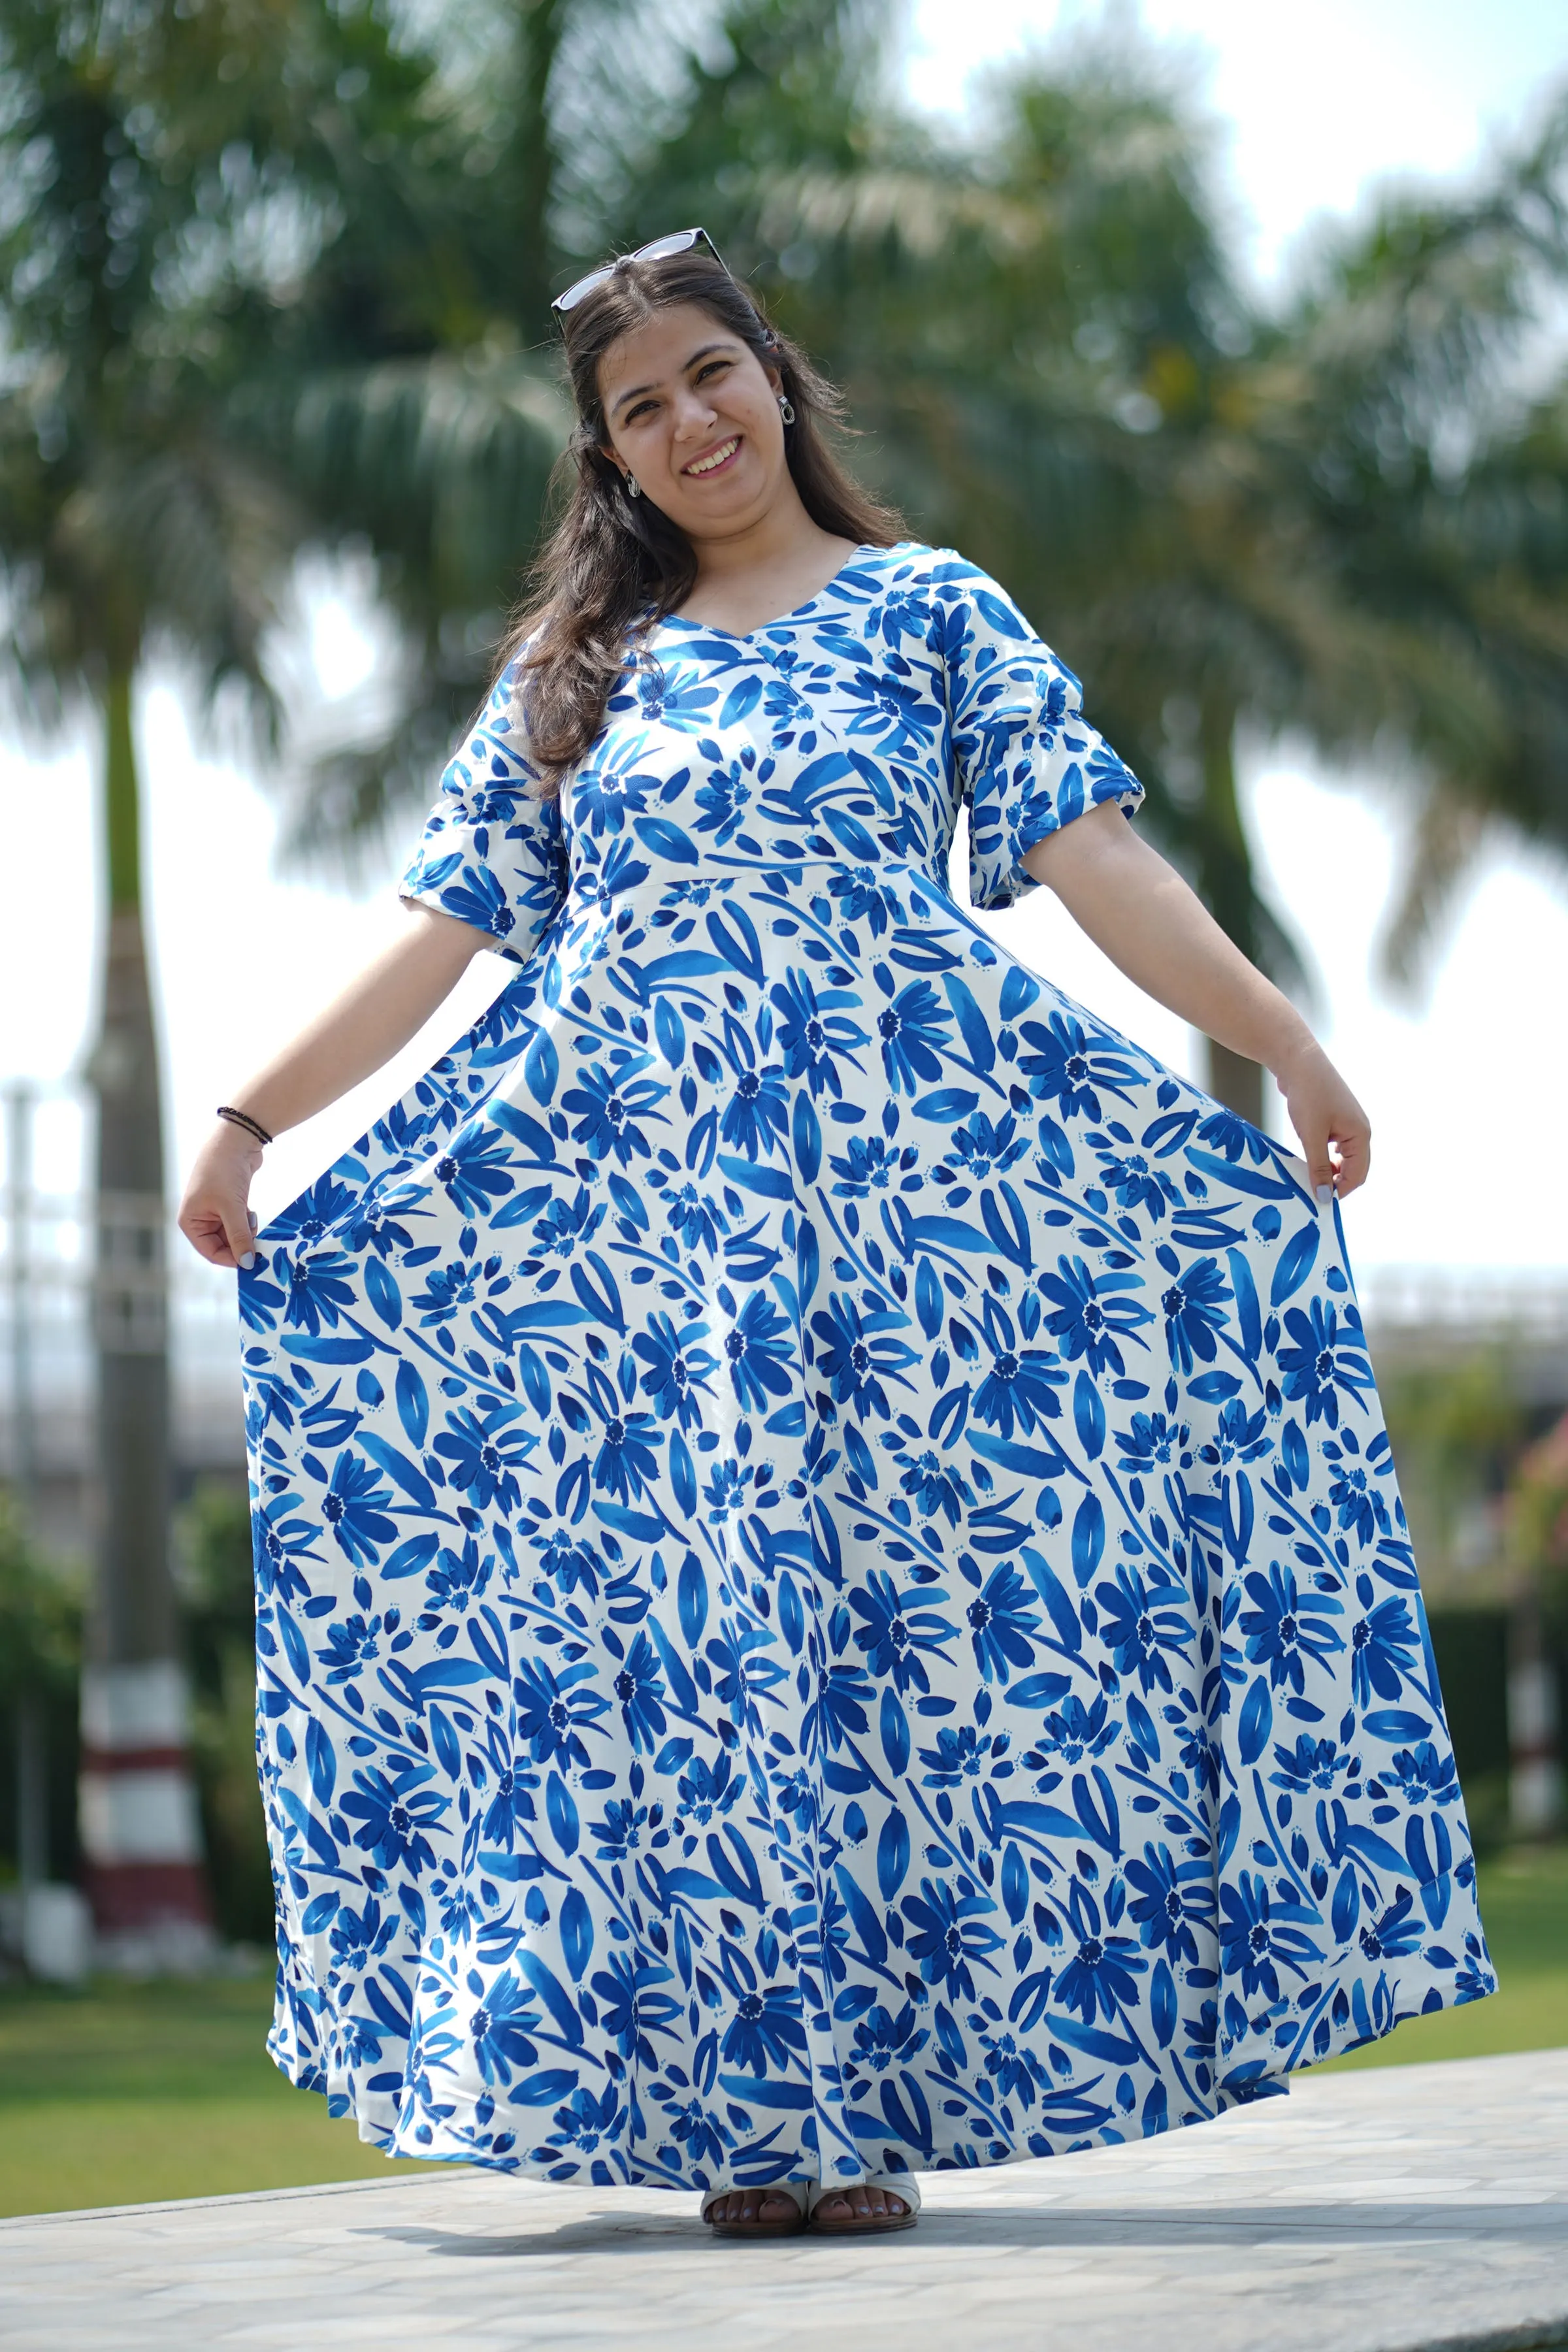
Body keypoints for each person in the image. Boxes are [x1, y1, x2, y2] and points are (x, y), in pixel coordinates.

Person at [179, 233, 1494, 2241]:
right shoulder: (576, 673)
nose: (688, 422)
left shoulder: (925, 613)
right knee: (692, 1651)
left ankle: (860, 2103)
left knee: (900, 1650)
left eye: (712, 374)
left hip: (911, 1240)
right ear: (609, 456)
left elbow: (1088, 855)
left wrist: (1284, 1044)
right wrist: (251, 1115)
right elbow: (434, 927)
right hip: (642, 1249)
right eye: (639, 408)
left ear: (775, 380)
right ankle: (752, 2115)